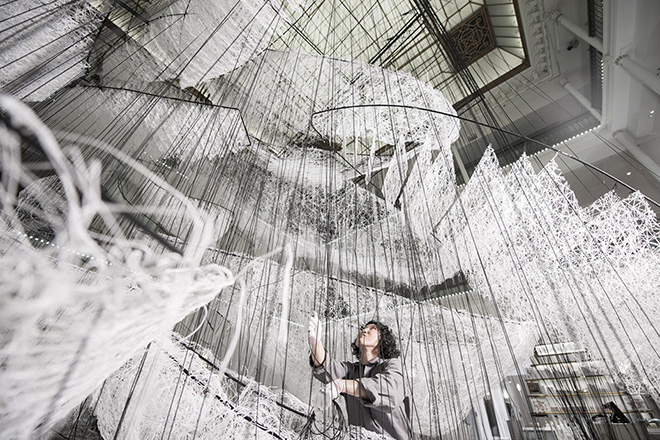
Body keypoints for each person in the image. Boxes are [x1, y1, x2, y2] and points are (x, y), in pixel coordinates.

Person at [308, 311, 411, 439]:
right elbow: (325, 366)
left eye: (372, 328)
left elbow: (390, 390)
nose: (365, 330)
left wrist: (341, 385)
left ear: (383, 340)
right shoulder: (350, 371)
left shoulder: (392, 364)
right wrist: (315, 341)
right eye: (363, 328)